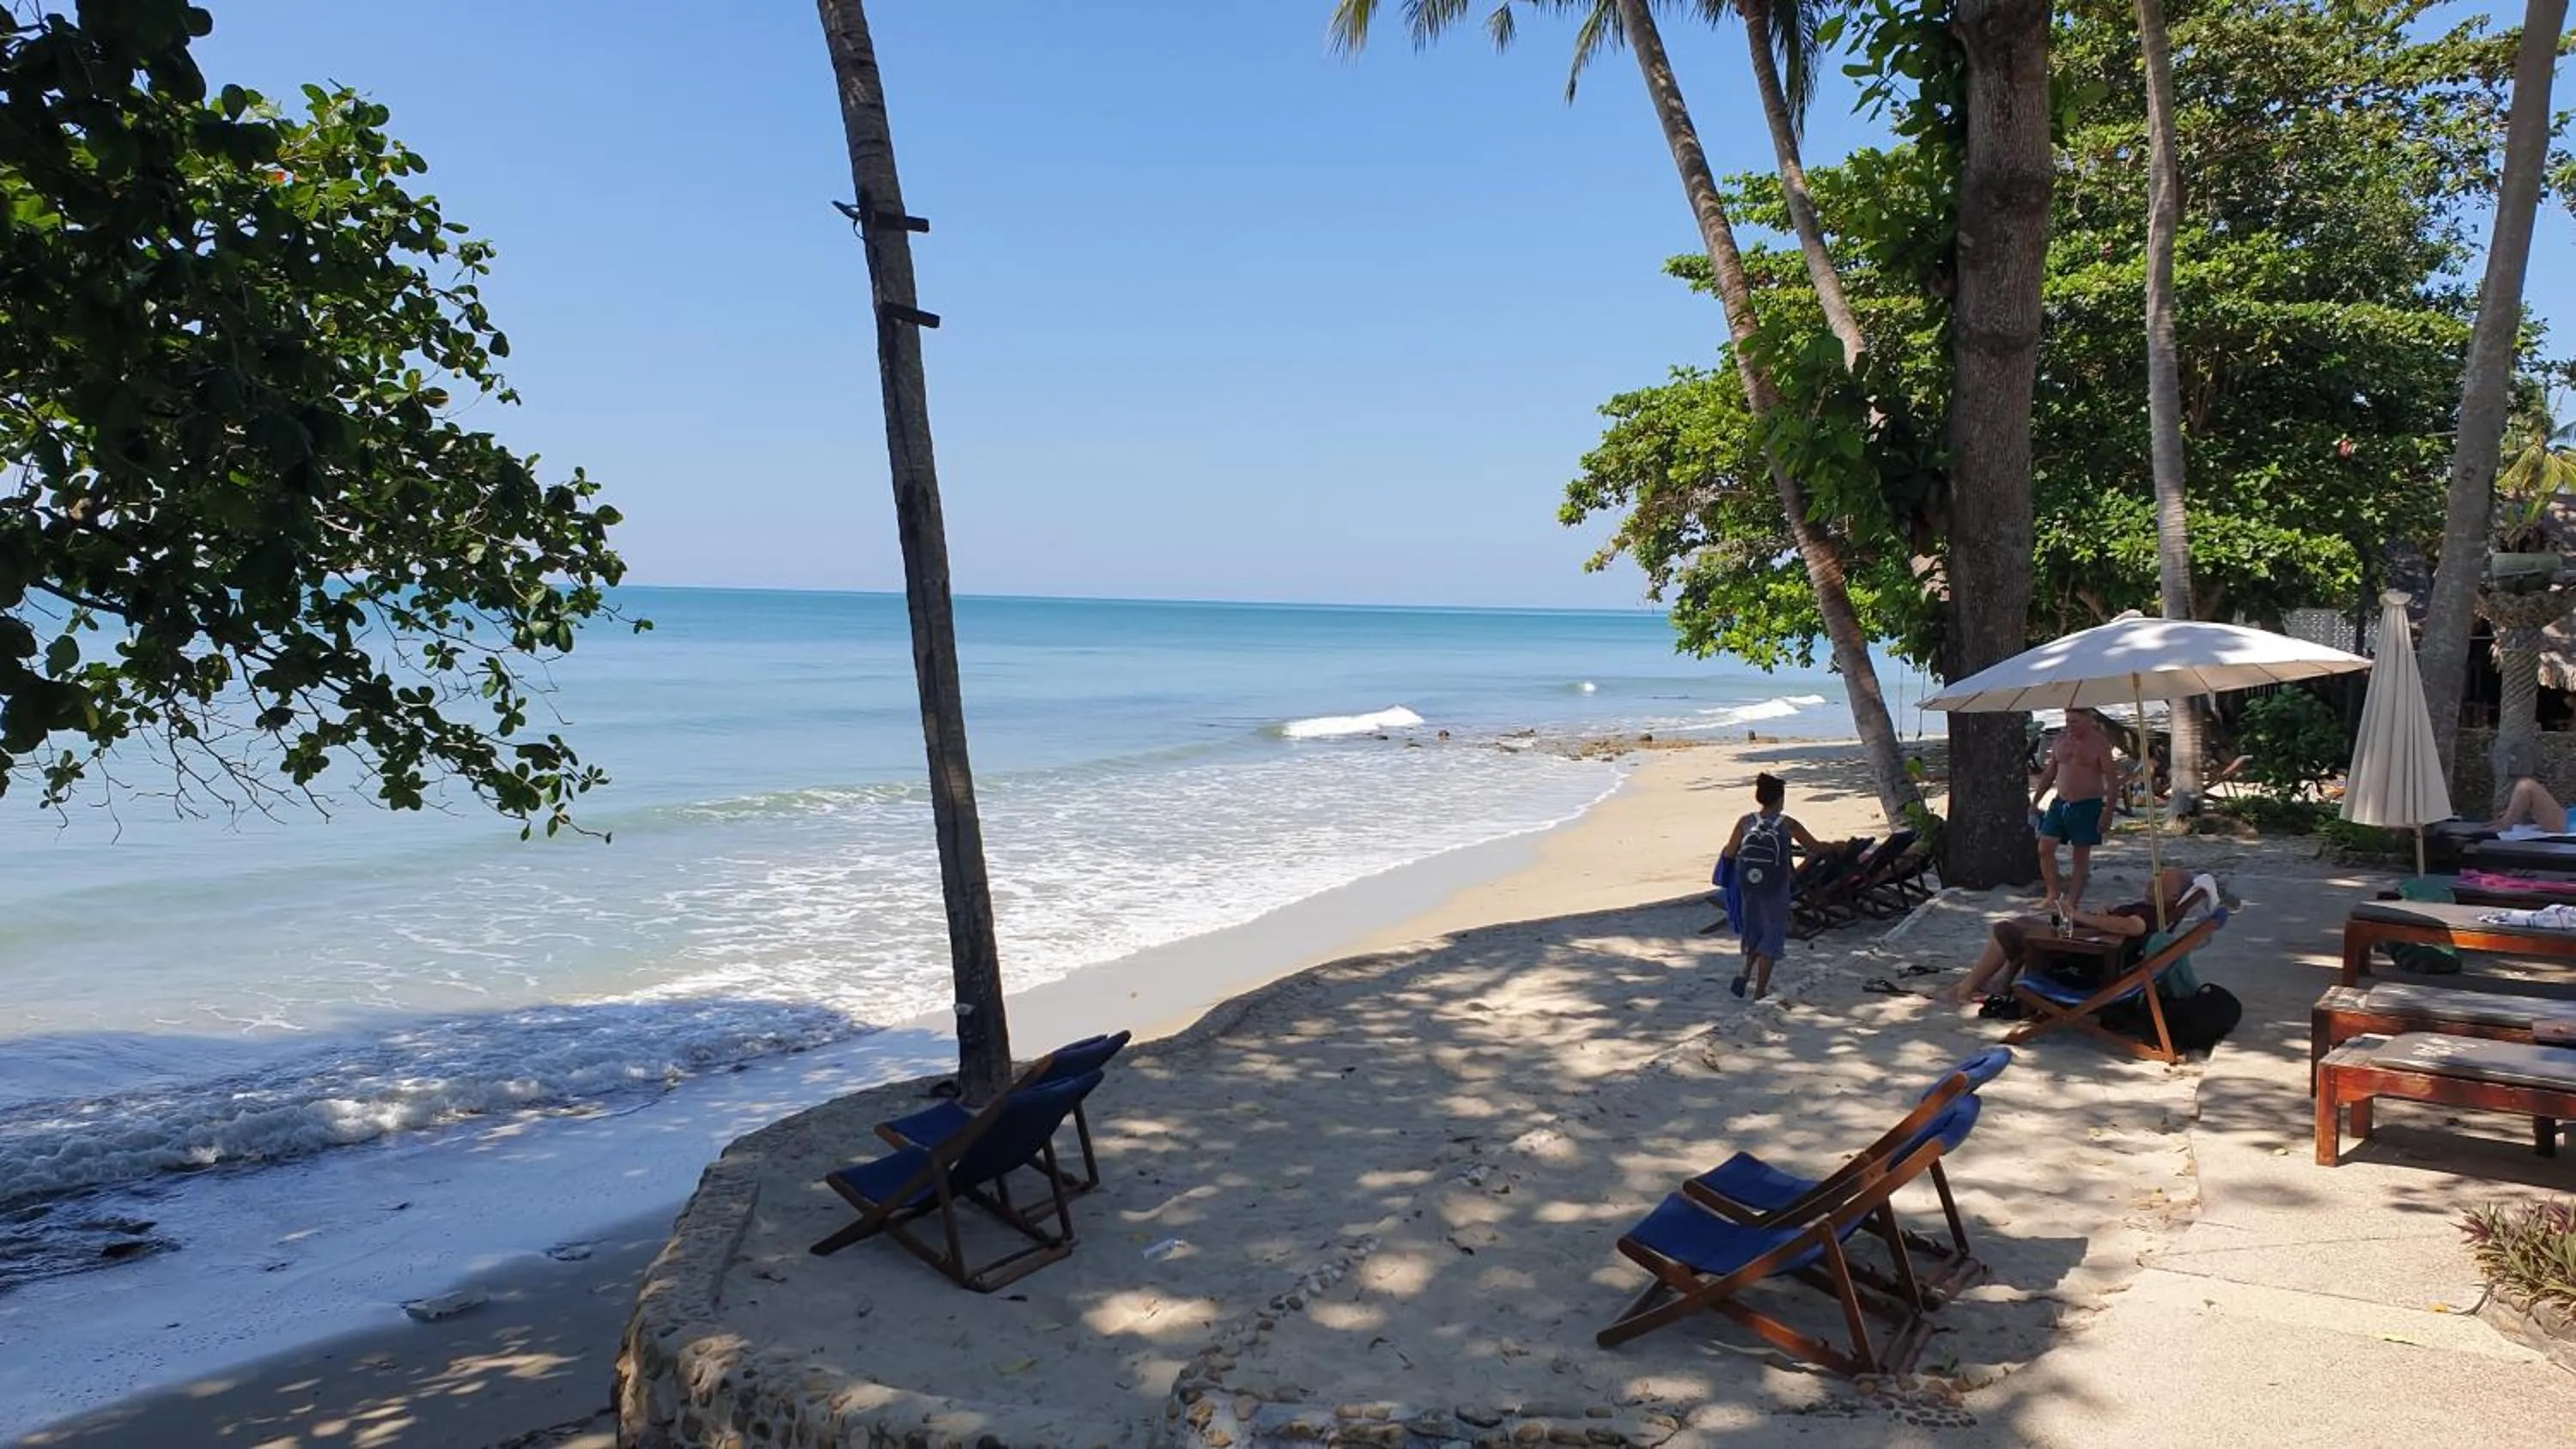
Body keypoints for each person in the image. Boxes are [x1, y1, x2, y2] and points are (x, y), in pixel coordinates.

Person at [1947, 867, 2195, 1005]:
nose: (2155, 878)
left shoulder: (2153, 913)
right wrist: (2105, 915)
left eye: (2163, 878)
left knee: (2007, 929)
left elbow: (2133, 928)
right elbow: (2126, 925)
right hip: (2093, 945)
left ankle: (1965, 990)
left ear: (2173, 896)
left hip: (2088, 958)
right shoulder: (2153, 909)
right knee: (2022, 924)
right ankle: (2002, 983)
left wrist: (2083, 917)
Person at [1719, 772, 1827, 1002]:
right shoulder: (1788, 824)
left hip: (1749, 886)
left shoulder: (1745, 821)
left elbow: (1729, 852)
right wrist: (1802, 867)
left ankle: (1745, 970)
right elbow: (1816, 848)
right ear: (1780, 798)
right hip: (1776, 887)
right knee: (1771, 937)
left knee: (1753, 931)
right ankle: (1759, 992)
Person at [2032, 708, 2117, 917]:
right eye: (2068, 721)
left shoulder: (2099, 744)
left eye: (2076, 722)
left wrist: (2108, 811)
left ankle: (2072, 901)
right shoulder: (2061, 740)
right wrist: (2036, 800)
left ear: (2089, 721)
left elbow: (2113, 780)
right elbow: (2050, 772)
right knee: (2045, 847)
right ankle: (2052, 894)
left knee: (2080, 858)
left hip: (2088, 805)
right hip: (2060, 803)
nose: (2070, 726)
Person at [2484, 775, 2571, 834]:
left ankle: (2504, 824)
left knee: (2526, 786)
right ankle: (2504, 822)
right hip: (2568, 817)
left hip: (2567, 823)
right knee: (2526, 786)